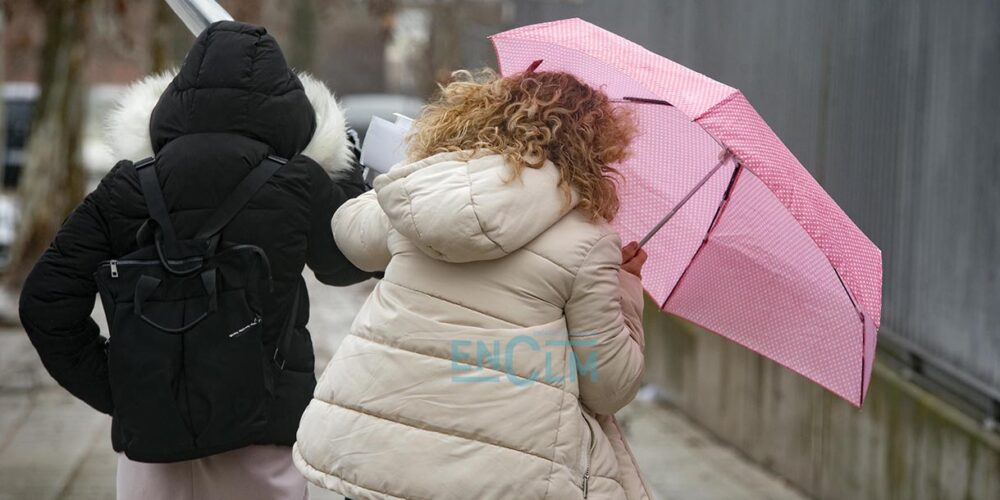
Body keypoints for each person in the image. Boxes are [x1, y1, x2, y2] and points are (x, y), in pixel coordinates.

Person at [18, 22, 370, 500]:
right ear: (285, 106)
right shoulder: (298, 185)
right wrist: (344, 166)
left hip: (152, 452)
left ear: (178, 99)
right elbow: (350, 263)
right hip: (261, 445)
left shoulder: (127, 186)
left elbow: (45, 303)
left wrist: (124, 391)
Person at [295, 68, 653, 499]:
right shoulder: (588, 242)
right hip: (505, 476)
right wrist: (627, 291)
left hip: (378, 456)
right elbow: (607, 386)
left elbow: (351, 236)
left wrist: (415, 173)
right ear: (595, 149)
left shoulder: (429, 191)